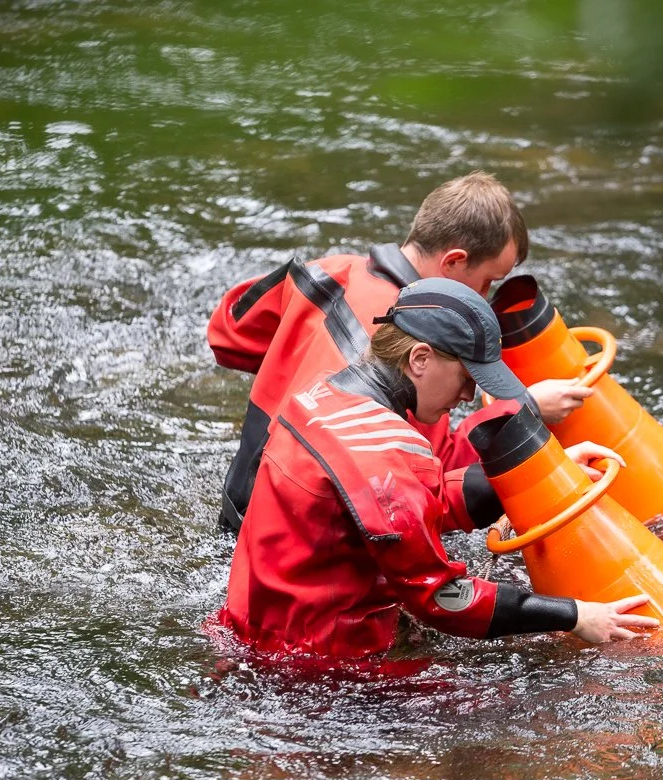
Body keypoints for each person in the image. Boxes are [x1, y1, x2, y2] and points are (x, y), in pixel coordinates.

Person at [218, 278, 658, 658]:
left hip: (251, 634)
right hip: (316, 672)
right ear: (420, 359)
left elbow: (414, 502)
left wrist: (541, 475)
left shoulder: (325, 395)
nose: (469, 394)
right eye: (467, 376)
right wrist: (575, 615)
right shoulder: (382, 452)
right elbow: (443, 598)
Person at [208, 172, 593, 532]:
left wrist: (292, 363)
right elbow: (433, 479)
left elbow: (228, 336)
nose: (487, 299)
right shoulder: (413, 346)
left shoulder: (327, 270)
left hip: (239, 503)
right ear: (454, 261)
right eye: (488, 282)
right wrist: (525, 408)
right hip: (299, 530)